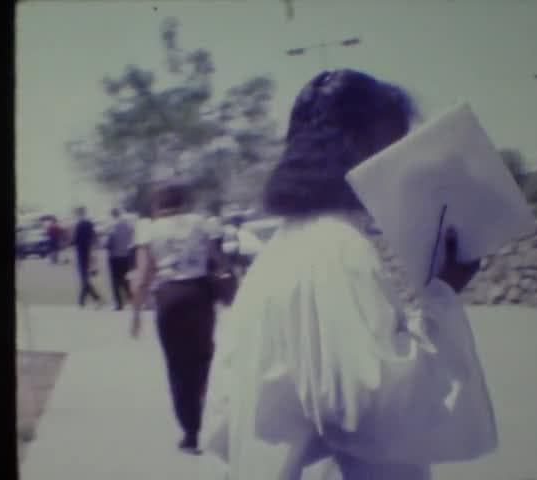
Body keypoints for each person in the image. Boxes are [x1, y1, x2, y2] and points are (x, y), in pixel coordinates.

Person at [199, 70, 498, 479]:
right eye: (395, 147)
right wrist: (442, 294)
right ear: (362, 147)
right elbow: (380, 409)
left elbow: (222, 421)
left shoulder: (283, 251)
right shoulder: (337, 251)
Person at [129, 180, 226, 455]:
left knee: (178, 366)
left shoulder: (148, 228)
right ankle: (211, 419)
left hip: (170, 297)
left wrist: (135, 314)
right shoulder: (201, 223)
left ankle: (191, 433)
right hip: (199, 294)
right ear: (183, 201)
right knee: (204, 359)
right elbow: (217, 260)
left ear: (157, 204)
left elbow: (144, 273)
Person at [71, 206, 103, 309]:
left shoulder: (79, 225)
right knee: (85, 278)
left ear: (79, 213)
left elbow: (75, 240)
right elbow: (94, 236)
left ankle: (96, 298)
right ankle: (82, 301)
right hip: (89, 252)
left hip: (81, 253)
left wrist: (71, 242)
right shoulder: (89, 223)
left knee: (84, 278)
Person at [105, 208, 134, 310]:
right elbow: (132, 237)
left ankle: (119, 303)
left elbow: (109, 242)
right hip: (125, 255)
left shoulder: (112, 225)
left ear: (112, 215)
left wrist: (106, 246)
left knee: (115, 281)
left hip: (114, 256)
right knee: (126, 279)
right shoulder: (127, 224)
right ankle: (132, 299)